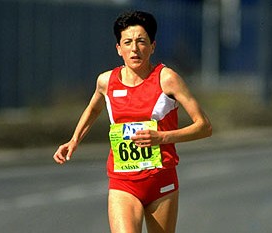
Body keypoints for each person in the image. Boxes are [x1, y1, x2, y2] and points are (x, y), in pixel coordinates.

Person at [53, 10, 212, 233]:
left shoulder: (167, 79)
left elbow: (204, 126)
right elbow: (93, 108)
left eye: (141, 42)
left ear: (153, 46)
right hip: (123, 182)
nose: (134, 49)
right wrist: (74, 140)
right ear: (119, 49)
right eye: (127, 42)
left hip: (160, 180)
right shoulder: (106, 81)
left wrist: (162, 137)